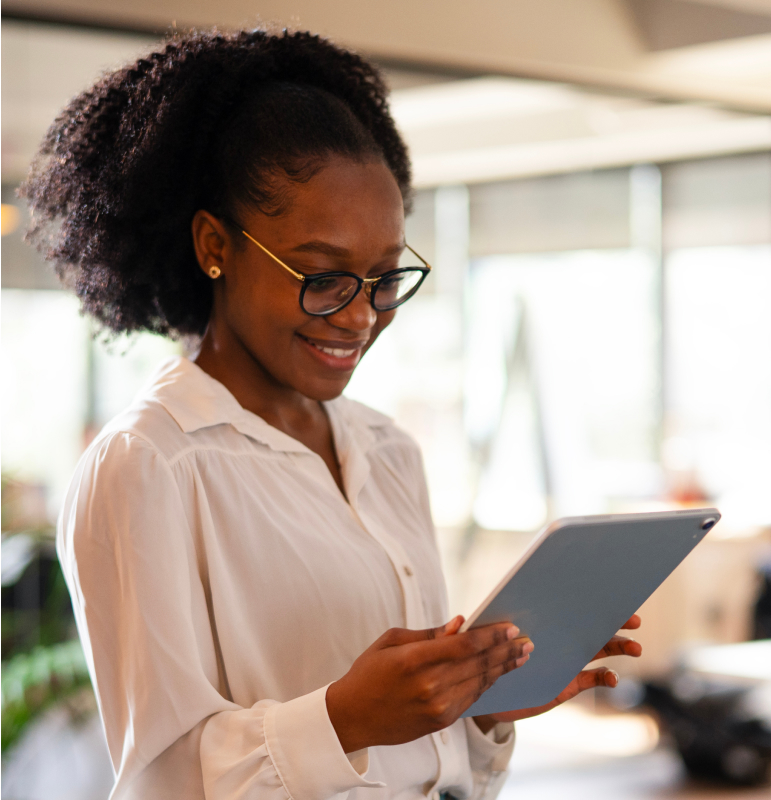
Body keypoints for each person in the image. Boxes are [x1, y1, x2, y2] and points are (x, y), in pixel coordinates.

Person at [21, 29, 642, 800]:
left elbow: (439, 772)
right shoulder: (149, 463)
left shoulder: (388, 451)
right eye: (321, 276)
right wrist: (342, 720)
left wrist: (481, 706)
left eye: (384, 278)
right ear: (215, 245)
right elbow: (162, 782)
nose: (359, 317)